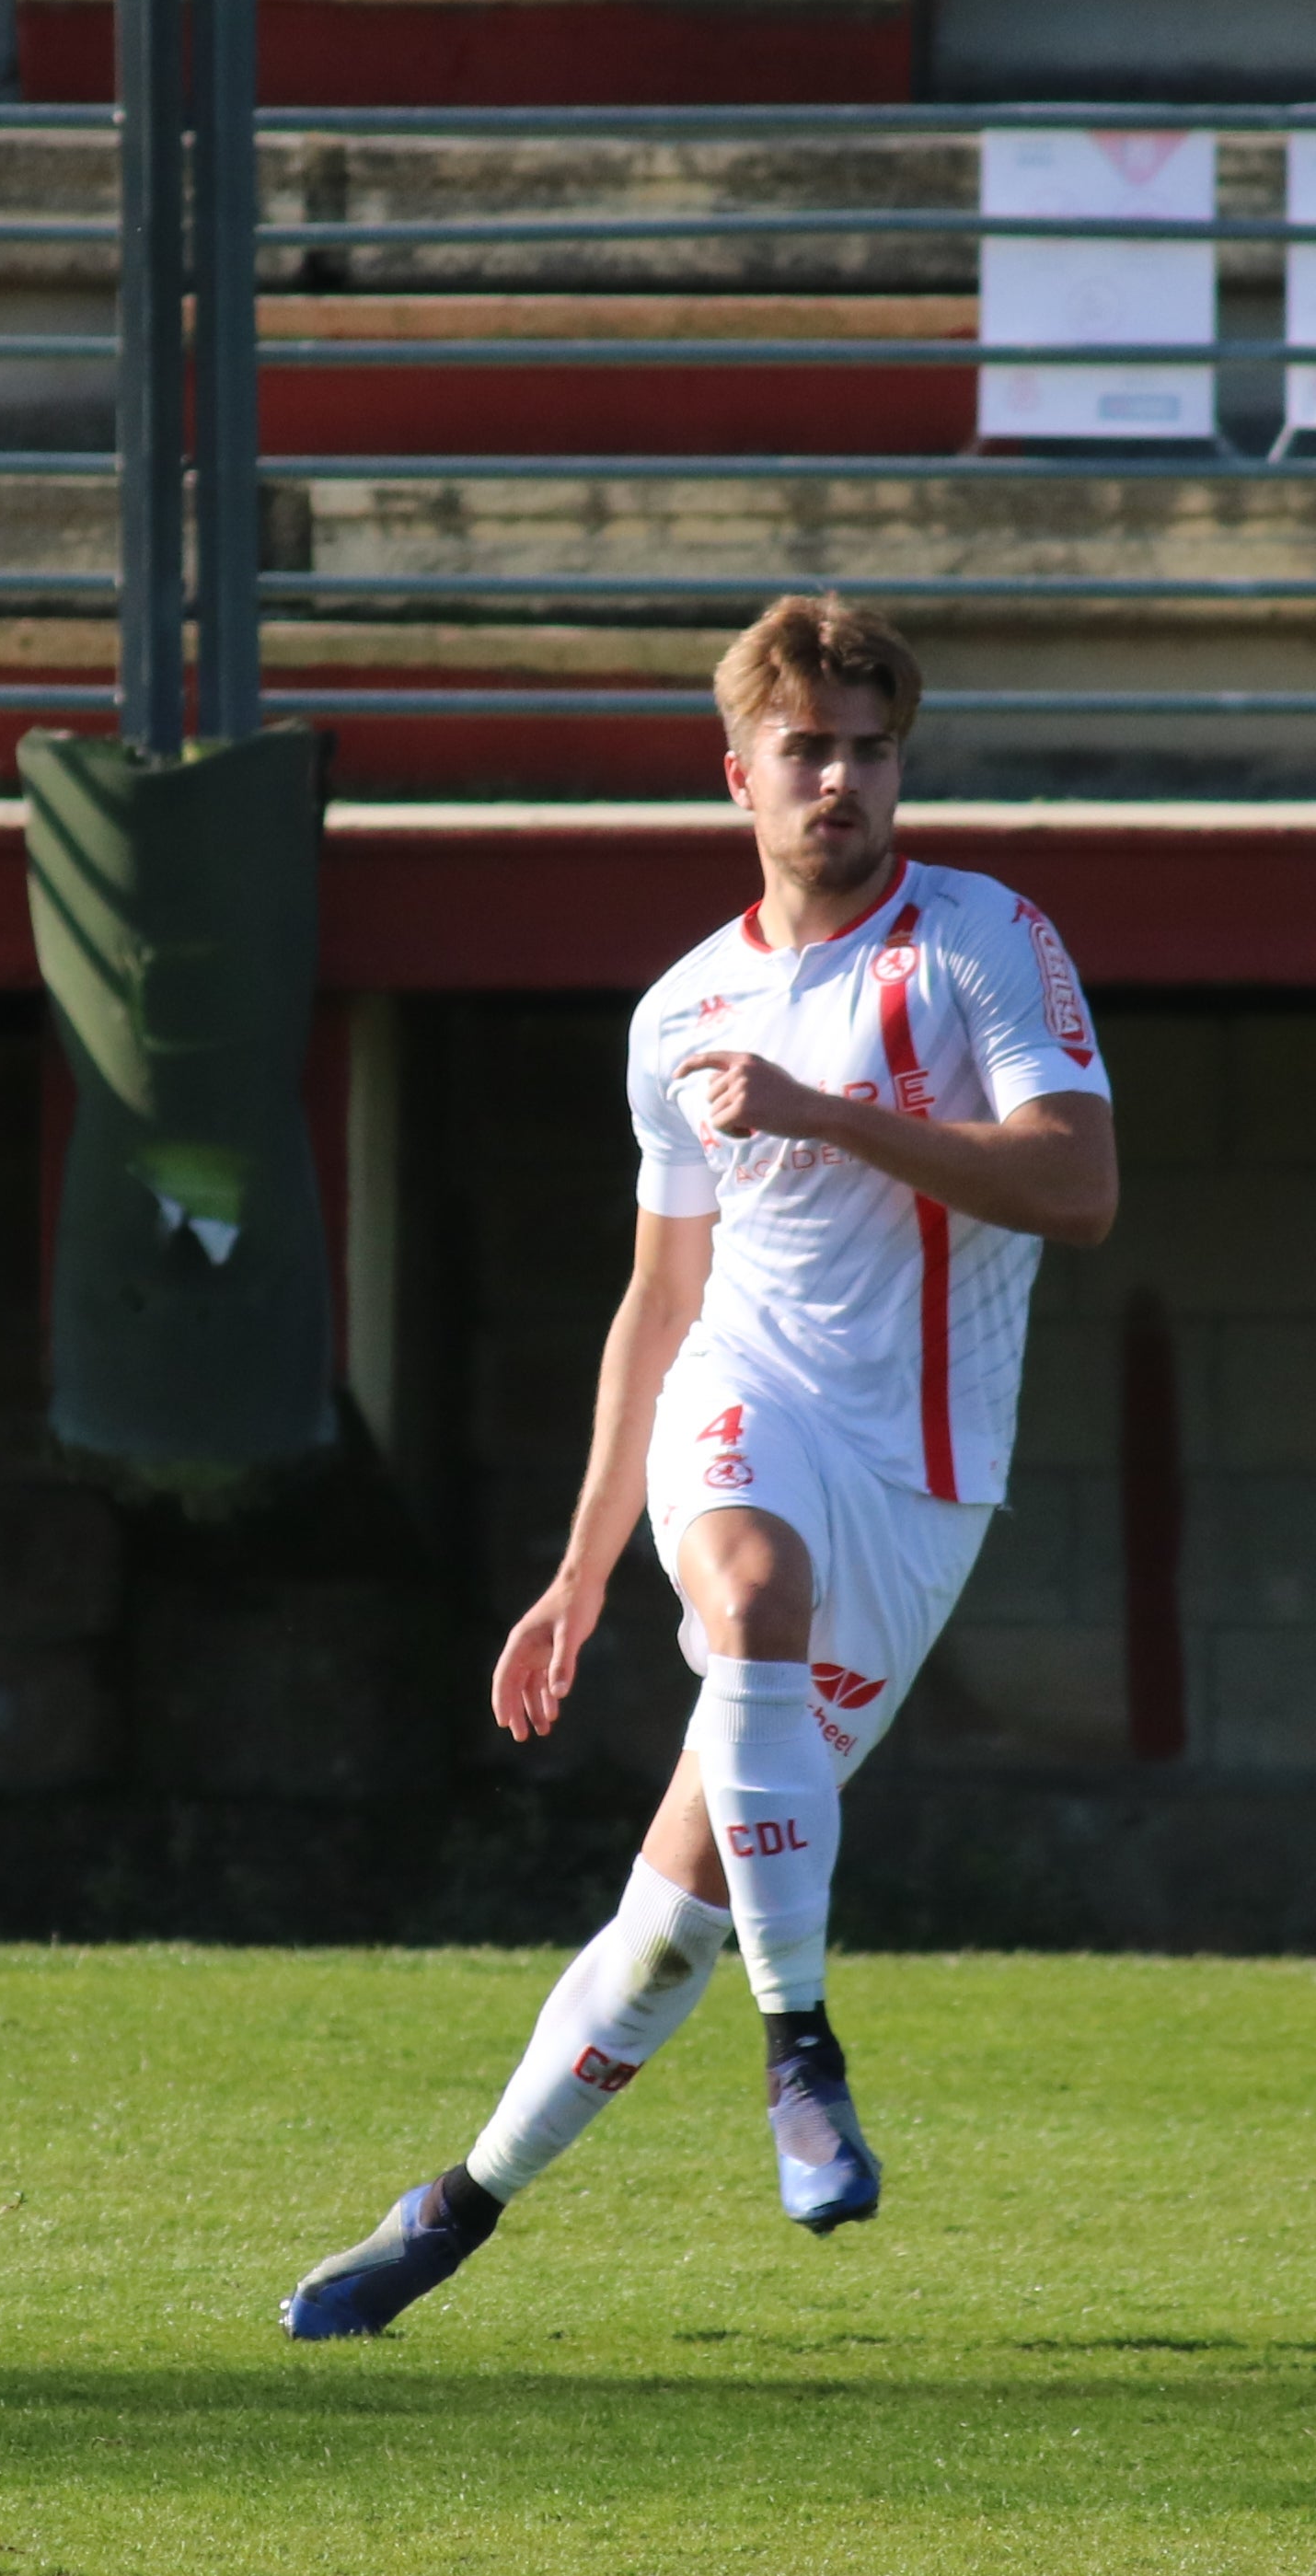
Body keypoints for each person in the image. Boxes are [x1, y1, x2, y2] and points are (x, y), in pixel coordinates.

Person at [283, 595, 1119, 2340]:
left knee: (670, 1918)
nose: (842, 780)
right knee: (745, 1585)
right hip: (747, 1402)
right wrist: (583, 1567)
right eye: (806, 749)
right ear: (735, 772)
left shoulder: (980, 941)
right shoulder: (681, 1009)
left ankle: (455, 2205)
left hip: (926, 1483)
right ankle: (803, 2049)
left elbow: (1074, 1187)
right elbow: (663, 1293)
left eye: (871, 750)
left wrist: (822, 1115)